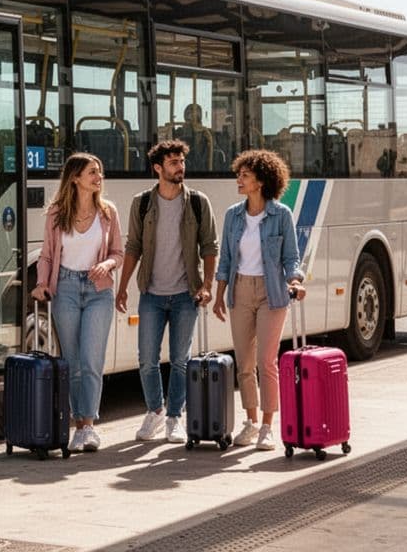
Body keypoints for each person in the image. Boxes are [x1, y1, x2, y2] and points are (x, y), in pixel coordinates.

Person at [116, 139, 218, 443]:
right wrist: (122, 287)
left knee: (179, 360)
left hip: (186, 294)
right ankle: (155, 412)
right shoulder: (142, 203)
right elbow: (133, 246)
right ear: (158, 168)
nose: (180, 168)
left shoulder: (198, 202)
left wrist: (207, 285)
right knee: (147, 359)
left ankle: (175, 417)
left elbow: (210, 247)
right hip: (152, 294)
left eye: (182, 162)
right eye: (173, 163)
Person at [212, 149, 306, 451]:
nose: (239, 179)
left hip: (272, 292)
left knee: (267, 361)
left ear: (261, 182)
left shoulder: (281, 215)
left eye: (245, 176)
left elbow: (291, 257)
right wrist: (218, 295)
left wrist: (295, 280)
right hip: (240, 290)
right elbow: (225, 258)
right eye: (239, 174)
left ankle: (268, 426)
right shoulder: (232, 215)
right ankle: (251, 422)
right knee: (245, 363)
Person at [31, 153, 124, 453]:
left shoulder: (108, 212)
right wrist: (41, 284)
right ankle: (78, 425)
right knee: (72, 362)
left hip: (98, 290)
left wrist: (107, 264)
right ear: (75, 178)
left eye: (99, 172)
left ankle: (89, 426)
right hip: (66, 289)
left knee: (92, 360)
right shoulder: (57, 213)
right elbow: (46, 255)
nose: (99, 177)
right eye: (92, 173)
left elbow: (119, 253)